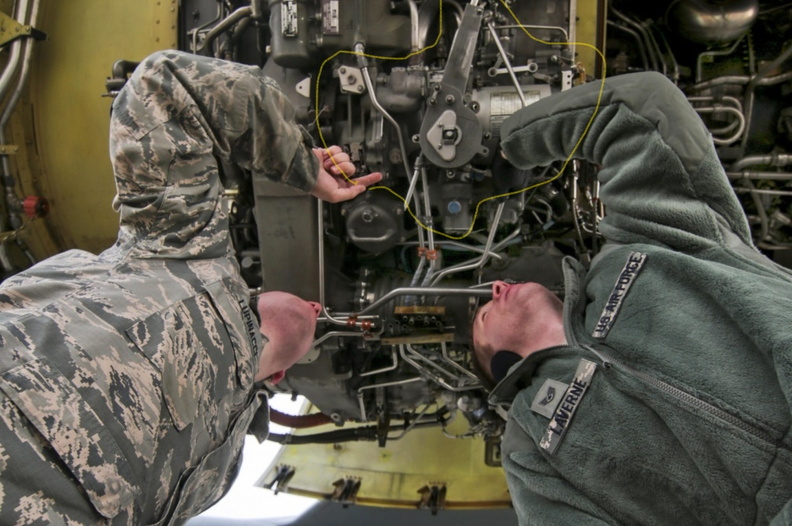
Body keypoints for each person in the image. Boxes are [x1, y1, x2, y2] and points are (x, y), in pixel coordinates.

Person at [0, 50, 381, 525]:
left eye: (316, 312)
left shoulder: (170, 249)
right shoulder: (194, 251)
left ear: (277, 378)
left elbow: (162, 90)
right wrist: (299, 165)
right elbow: (167, 87)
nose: (317, 306)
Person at [473, 72, 792, 525]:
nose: (497, 286)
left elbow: (642, 111)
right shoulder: (531, 449)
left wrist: (508, 144)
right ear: (503, 367)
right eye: (486, 313)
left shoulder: (639, 244)